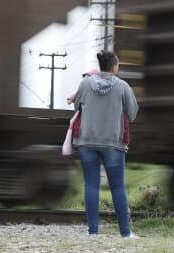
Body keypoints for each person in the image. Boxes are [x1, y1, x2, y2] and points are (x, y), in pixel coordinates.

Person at [72, 50, 139, 238]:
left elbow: (76, 106)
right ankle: (126, 233)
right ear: (114, 67)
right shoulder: (122, 86)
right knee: (117, 187)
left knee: (91, 185)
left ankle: (92, 232)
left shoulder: (85, 84)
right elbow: (132, 113)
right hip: (113, 144)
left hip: (87, 142)